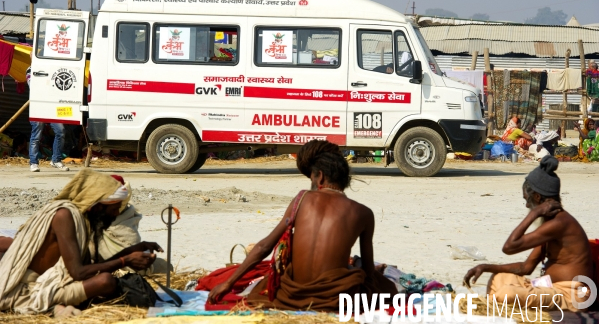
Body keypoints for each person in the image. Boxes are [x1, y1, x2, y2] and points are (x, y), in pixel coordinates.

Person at [208, 140, 397, 311]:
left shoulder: (301, 198)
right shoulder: (364, 213)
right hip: (333, 300)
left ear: (320, 177)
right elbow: (369, 272)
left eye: (312, 179)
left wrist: (229, 283)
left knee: (267, 283)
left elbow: (265, 246)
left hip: (291, 295)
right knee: (386, 287)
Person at [0, 169, 163, 316]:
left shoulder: (83, 220)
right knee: (105, 281)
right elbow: (78, 272)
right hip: (28, 290)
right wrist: (125, 260)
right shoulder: (64, 216)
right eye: (113, 210)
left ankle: (61, 306)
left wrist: (131, 251)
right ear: (98, 207)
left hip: (49, 283)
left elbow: (90, 268)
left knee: (105, 281)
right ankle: (55, 308)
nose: (114, 216)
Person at [463, 156, 593, 312]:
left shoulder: (559, 223)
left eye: (527, 199)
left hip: (573, 295)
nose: (526, 205)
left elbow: (509, 247)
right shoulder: (551, 225)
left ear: (537, 197)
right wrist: (485, 267)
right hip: (551, 288)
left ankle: (497, 306)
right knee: (499, 278)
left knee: (507, 294)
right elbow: (526, 267)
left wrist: (535, 213)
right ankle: (498, 305)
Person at [26, 67, 69, 172]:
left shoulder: (53, 67)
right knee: (36, 136)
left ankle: (56, 160)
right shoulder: (30, 70)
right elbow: (33, 86)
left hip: (52, 106)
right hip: (38, 106)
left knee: (61, 131)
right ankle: (33, 163)